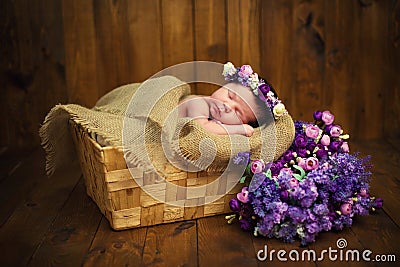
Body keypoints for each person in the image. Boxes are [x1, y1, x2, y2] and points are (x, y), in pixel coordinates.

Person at [178, 62, 286, 137]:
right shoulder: (198, 104)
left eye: (238, 112)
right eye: (230, 96)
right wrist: (239, 129)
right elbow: (201, 130)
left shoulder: (214, 117)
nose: (227, 106)